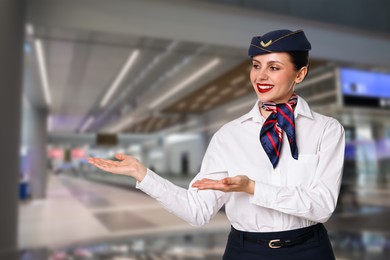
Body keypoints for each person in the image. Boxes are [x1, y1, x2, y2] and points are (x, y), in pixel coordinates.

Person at [88, 29, 345, 259]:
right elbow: (197, 212)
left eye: (274, 68)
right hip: (246, 251)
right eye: (256, 66)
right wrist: (142, 175)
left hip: (309, 250)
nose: (261, 76)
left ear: (300, 73)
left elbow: (322, 206)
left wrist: (252, 188)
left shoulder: (325, 129)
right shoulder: (228, 135)